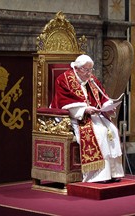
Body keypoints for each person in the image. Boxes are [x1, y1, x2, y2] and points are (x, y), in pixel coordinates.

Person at [50, 54, 124, 183]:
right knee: (99, 133)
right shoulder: (64, 79)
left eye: (91, 69)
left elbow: (103, 97)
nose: (89, 73)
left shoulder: (92, 79)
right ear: (77, 69)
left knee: (112, 130)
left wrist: (108, 106)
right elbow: (63, 101)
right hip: (75, 117)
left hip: (94, 115)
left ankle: (112, 173)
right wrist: (84, 109)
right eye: (86, 70)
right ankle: (98, 176)